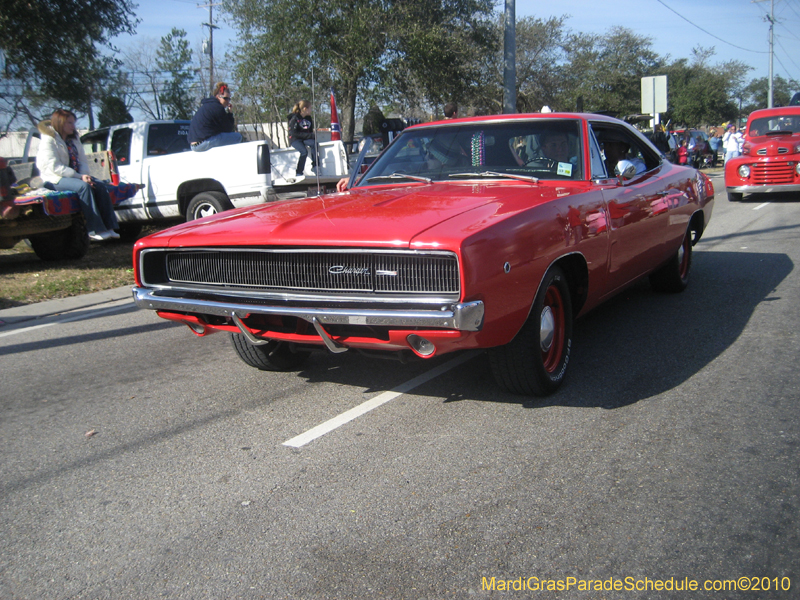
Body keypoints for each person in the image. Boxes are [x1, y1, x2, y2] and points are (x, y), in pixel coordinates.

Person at [36, 109, 119, 241]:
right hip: (54, 178)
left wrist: (85, 176)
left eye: (73, 123)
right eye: (69, 123)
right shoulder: (48, 140)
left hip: (75, 176)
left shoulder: (74, 139)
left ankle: (110, 227)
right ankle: (94, 229)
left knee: (100, 186)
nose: (73, 126)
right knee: (83, 187)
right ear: (60, 123)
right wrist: (80, 177)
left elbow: (82, 161)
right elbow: (54, 167)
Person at [187, 83, 242, 152]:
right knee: (237, 137)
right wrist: (230, 113)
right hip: (202, 144)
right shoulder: (218, 108)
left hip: (193, 145)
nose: (228, 101)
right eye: (225, 98)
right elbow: (228, 129)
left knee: (221, 136)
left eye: (229, 99)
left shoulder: (207, 105)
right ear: (218, 97)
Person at [288, 100, 319, 177]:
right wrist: (309, 136)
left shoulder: (308, 118)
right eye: (310, 108)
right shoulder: (294, 118)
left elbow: (310, 131)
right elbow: (294, 133)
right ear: (305, 109)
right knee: (304, 151)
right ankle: (299, 172)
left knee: (314, 144)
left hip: (305, 138)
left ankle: (315, 166)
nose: (311, 110)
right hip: (295, 139)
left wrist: (312, 136)